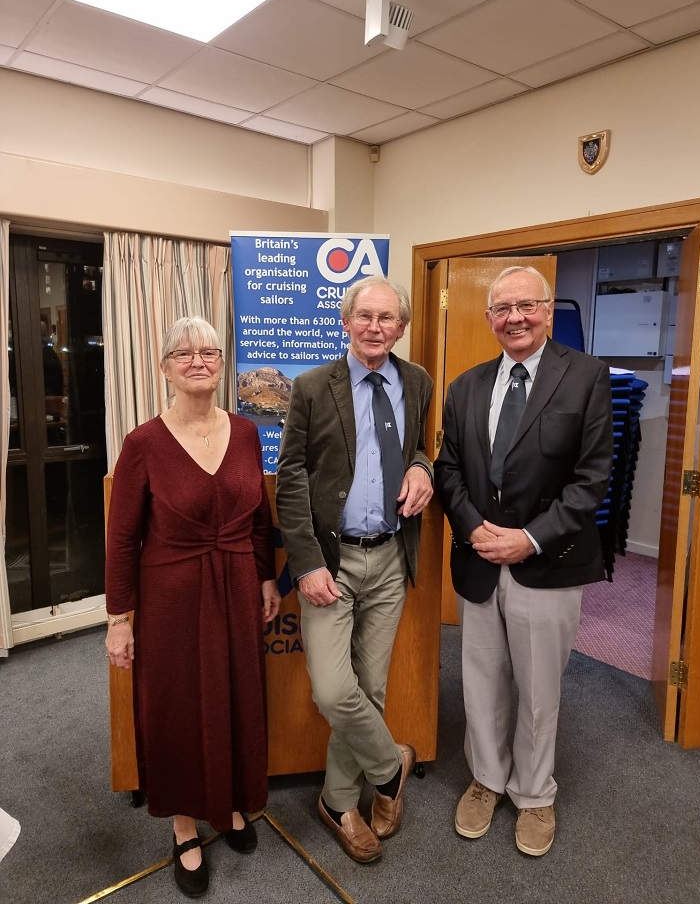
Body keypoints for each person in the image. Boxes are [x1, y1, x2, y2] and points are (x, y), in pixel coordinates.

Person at [434, 265, 613, 857]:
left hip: (548, 561)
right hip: (480, 558)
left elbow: (591, 481)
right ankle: (487, 780)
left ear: (546, 307)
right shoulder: (464, 386)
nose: (515, 317)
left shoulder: (585, 377)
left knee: (539, 687)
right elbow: (449, 470)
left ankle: (535, 793)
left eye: (526, 306)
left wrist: (528, 539)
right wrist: (474, 528)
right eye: (502, 309)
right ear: (489, 319)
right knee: (481, 681)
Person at [105, 316, 281, 898]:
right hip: (170, 597)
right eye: (184, 353)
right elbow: (122, 538)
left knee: (234, 695)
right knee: (177, 706)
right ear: (165, 367)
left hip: (234, 586)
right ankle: (184, 824)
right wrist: (119, 618)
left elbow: (259, 520)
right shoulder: (143, 444)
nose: (199, 361)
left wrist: (264, 580)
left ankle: (228, 804)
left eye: (209, 351)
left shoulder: (249, 432)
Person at [276, 276, 434, 863]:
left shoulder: (415, 380)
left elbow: (417, 446)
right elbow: (291, 475)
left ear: (401, 326)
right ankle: (391, 766)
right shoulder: (314, 386)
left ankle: (338, 801)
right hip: (331, 561)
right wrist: (306, 562)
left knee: (371, 686)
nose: (375, 327)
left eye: (386, 318)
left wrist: (423, 468)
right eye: (364, 316)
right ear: (346, 322)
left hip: (391, 557)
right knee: (334, 689)